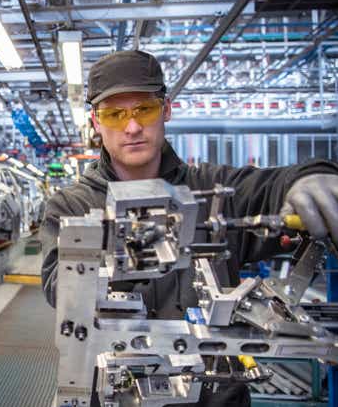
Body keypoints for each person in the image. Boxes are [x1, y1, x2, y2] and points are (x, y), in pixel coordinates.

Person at [40, 50, 338, 406]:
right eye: (115, 114)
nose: (132, 127)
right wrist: (118, 245)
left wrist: (311, 177)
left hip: (211, 397)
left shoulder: (214, 190)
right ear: (96, 122)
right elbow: (62, 289)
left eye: (144, 110)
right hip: (111, 393)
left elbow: (271, 186)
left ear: (166, 110)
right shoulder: (70, 206)